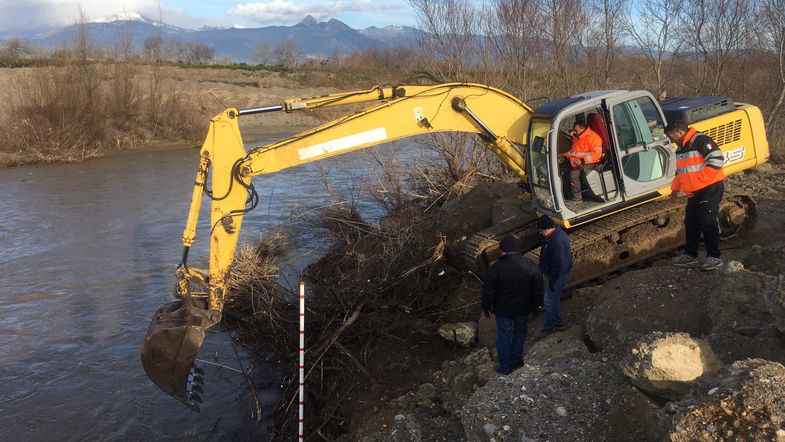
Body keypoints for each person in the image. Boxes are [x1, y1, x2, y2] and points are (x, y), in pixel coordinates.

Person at [665, 120, 725, 271]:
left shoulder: (700, 140)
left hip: (710, 188)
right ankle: (690, 255)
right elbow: (682, 172)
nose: (670, 139)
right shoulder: (681, 148)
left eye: (670, 135)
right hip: (694, 191)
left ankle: (714, 257)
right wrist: (675, 190)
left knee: (707, 221)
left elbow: (717, 160)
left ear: (679, 132)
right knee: (691, 223)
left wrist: (699, 182)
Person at [481, 235, 544, 375]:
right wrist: (538, 305)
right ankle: (516, 360)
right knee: (520, 333)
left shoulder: (496, 268)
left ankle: (505, 366)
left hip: (503, 310)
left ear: (502, 251)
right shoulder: (529, 264)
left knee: (504, 336)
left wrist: (486, 307)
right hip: (523, 308)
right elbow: (538, 287)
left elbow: (488, 291)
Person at [535, 215, 572, 338]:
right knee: (553, 300)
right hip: (556, 274)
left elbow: (558, 264)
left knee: (549, 301)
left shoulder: (557, 241)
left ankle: (548, 328)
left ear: (547, 229)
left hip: (558, 276)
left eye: (540, 231)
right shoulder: (554, 237)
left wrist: (553, 280)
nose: (540, 233)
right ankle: (558, 323)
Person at [561, 118, 604, 201]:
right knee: (563, 171)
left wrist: (582, 160)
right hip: (577, 163)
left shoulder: (594, 138)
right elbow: (573, 152)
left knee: (573, 174)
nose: (574, 131)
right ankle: (567, 196)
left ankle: (577, 199)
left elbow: (597, 154)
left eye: (576, 129)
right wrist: (564, 157)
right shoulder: (577, 138)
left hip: (591, 163)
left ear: (582, 129)